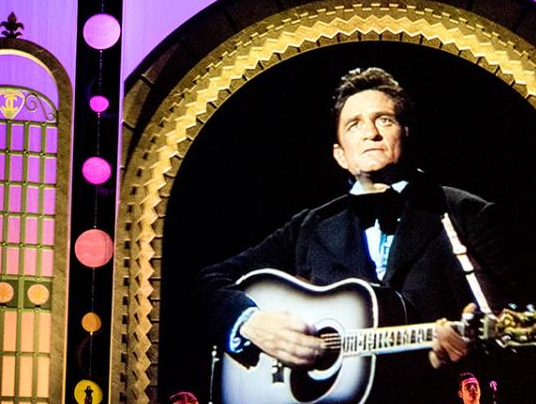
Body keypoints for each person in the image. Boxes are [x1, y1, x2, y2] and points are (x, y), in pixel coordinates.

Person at [197, 67, 511, 372]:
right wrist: (250, 322)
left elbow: (516, 334)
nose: (371, 133)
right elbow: (204, 285)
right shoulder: (309, 227)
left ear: (407, 134)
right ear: (340, 155)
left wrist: (473, 352)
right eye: (354, 125)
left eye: (384, 120)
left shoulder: (465, 214)